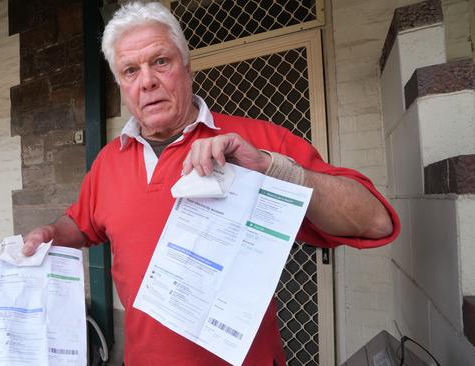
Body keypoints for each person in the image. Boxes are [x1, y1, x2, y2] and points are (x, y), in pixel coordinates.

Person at [22, 2, 400, 365]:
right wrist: (51, 233)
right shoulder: (109, 160)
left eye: (160, 61)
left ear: (186, 66)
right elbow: (82, 223)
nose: (148, 82)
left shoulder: (255, 141)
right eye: (131, 71)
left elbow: (375, 221)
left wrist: (272, 168)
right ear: (121, 83)